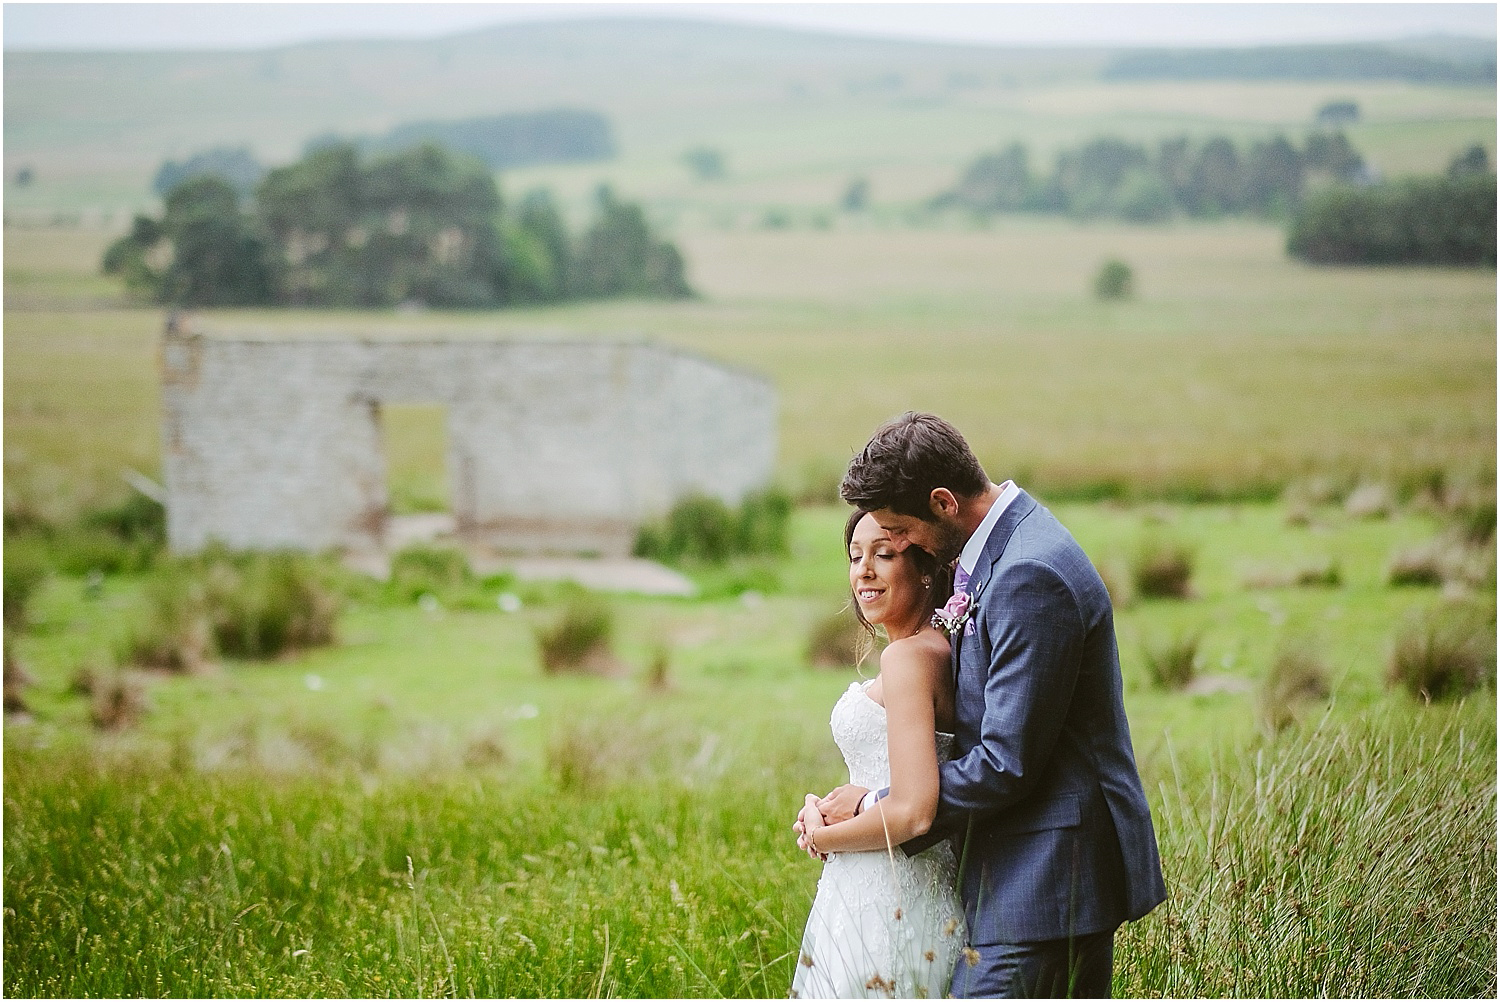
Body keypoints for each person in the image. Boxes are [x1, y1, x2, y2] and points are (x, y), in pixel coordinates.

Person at [810, 411, 1166, 998]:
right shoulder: (996, 550)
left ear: (944, 502)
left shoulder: (1029, 571)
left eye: (904, 532)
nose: (907, 548)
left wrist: (879, 804)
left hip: (1048, 876)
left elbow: (1007, 761)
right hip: (1011, 872)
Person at [789, 509, 967, 999]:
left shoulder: (911, 658)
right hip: (868, 891)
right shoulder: (928, 652)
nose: (863, 570)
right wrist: (824, 812)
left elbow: (912, 813)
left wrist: (827, 836)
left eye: (883, 554)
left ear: (927, 567)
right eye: (855, 556)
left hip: (893, 896)